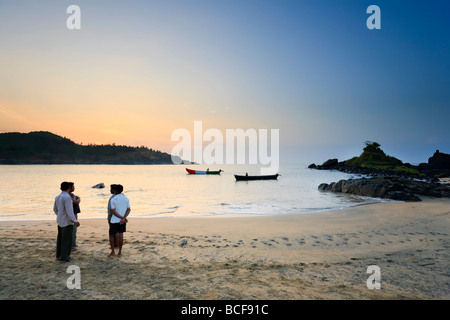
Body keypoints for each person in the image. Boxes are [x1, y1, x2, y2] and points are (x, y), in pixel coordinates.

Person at [53, 181, 80, 262]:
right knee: (67, 239)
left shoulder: (57, 197)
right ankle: (64, 257)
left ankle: (58, 255)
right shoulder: (67, 197)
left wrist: (59, 215)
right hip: (67, 221)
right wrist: (75, 221)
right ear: (68, 188)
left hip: (60, 220)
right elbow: (69, 211)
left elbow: (55, 209)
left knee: (60, 238)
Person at [109, 184, 130, 257]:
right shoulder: (126, 198)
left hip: (114, 220)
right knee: (121, 236)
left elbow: (113, 211)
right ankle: (120, 252)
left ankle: (113, 252)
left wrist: (121, 218)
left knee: (111, 235)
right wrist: (124, 218)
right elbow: (128, 209)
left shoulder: (113, 199)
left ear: (115, 191)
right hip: (122, 221)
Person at [68, 182, 81, 251]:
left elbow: (76, 200)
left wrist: (77, 199)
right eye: (73, 187)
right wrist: (78, 199)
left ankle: (73, 243)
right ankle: (72, 245)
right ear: (69, 188)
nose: (74, 188)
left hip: (74, 213)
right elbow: (76, 201)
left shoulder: (71, 195)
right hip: (72, 214)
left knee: (74, 230)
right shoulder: (68, 196)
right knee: (72, 229)